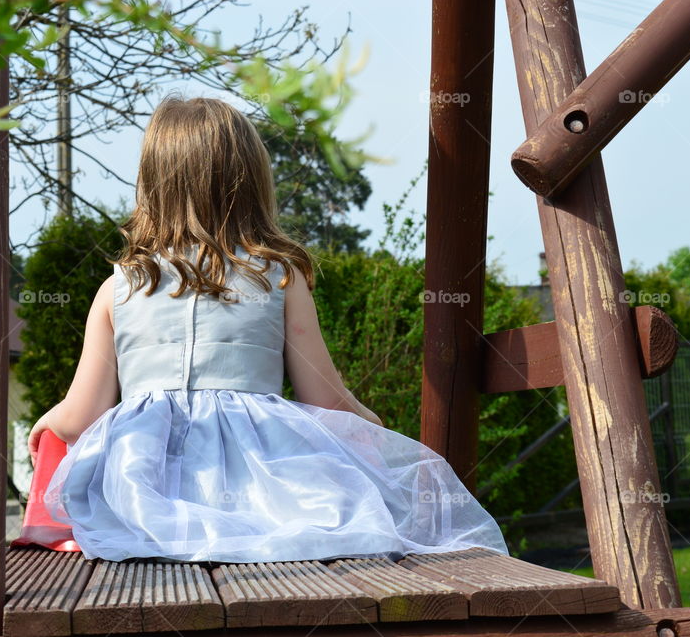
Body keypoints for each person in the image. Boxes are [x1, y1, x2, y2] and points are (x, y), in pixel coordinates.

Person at [28, 95, 508, 563]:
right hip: (260, 485)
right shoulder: (277, 276)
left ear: (151, 183)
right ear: (251, 181)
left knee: (106, 488)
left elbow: (83, 414)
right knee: (325, 511)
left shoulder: (121, 287)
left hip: (142, 490)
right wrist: (371, 423)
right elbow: (325, 399)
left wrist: (48, 424)